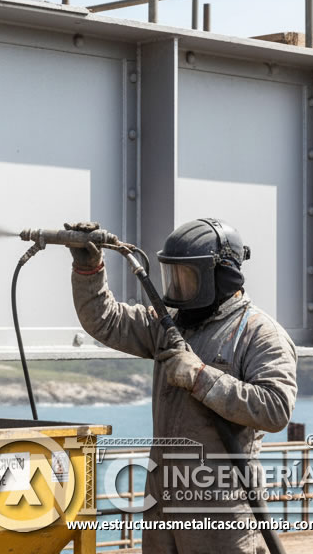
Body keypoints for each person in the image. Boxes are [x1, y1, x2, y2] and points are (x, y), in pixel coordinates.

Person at [68, 219, 297, 554]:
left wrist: (201, 377)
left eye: (187, 279)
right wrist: (88, 268)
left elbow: (275, 409)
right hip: (162, 502)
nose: (176, 289)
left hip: (220, 509)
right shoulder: (170, 324)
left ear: (220, 277)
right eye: (173, 277)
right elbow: (106, 320)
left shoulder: (260, 334)